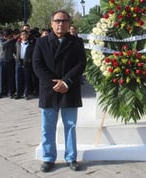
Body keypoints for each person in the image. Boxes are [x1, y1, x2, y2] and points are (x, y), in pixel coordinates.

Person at [32, 10, 86, 173]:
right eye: (57, 21)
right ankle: (48, 158)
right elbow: (37, 65)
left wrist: (66, 82)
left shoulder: (77, 42)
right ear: (52, 23)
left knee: (70, 125)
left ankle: (71, 157)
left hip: (69, 88)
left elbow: (81, 64)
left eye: (64, 21)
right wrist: (53, 83)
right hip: (49, 89)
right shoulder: (41, 42)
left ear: (69, 23)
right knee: (47, 126)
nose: (61, 24)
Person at [15, 30, 34, 100]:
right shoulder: (17, 43)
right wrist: (16, 57)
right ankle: (18, 93)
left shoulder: (31, 44)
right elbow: (13, 51)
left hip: (27, 63)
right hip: (19, 62)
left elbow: (33, 54)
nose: (24, 36)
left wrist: (30, 59)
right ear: (20, 36)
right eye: (22, 34)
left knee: (27, 79)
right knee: (18, 78)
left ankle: (26, 93)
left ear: (28, 36)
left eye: (25, 34)